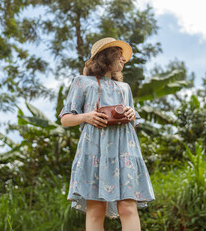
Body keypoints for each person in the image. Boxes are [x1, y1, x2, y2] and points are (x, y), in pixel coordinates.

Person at [59, 37, 155, 231]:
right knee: (95, 211)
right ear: (106, 57)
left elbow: (132, 124)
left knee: (128, 207)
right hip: (94, 149)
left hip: (124, 151)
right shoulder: (82, 82)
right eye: (119, 56)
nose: (123, 60)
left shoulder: (125, 88)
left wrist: (131, 113)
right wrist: (87, 117)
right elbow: (65, 118)